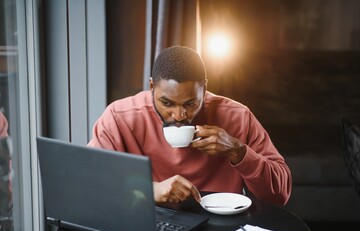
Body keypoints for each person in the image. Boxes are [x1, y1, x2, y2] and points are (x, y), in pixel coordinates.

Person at [88, 46, 292, 206]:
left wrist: (239, 152)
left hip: (219, 227)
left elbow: (280, 196)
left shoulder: (238, 117)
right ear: (151, 87)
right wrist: (149, 190)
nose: (178, 115)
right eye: (167, 103)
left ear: (204, 90)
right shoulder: (120, 117)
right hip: (147, 222)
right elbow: (88, 183)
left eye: (190, 104)